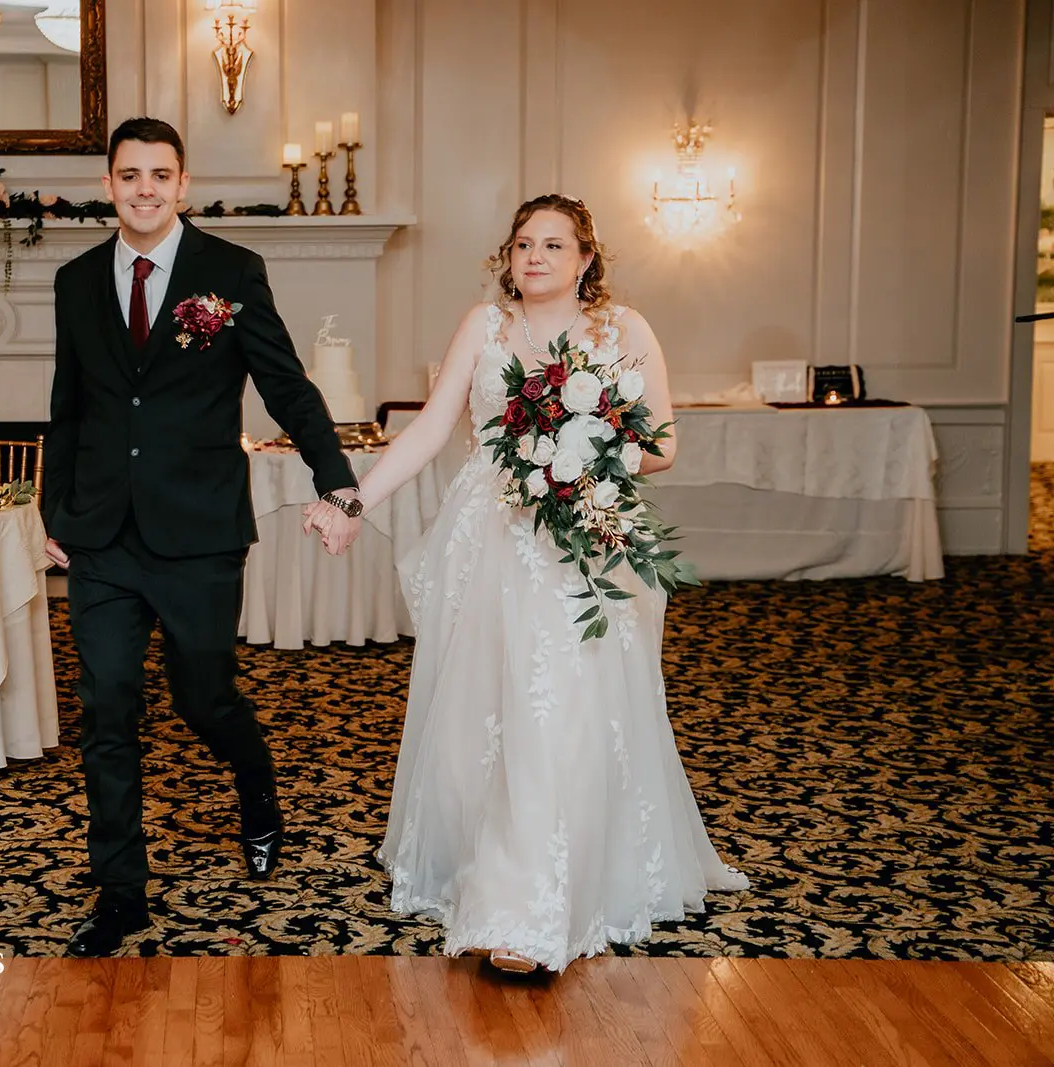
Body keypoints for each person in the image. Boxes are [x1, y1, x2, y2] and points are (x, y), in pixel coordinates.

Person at [311, 194, 748, 973]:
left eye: (554, 244)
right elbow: (431, 428)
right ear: (507, 258)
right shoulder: (483, 328)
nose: (535, 257)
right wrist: (354, 496)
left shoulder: (626, 330)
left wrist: (584, 448)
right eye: (522, 244)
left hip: (585, 536)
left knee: (569, 705)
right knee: (491, 702)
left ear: (586, 258)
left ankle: (534, 901)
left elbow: (664, 444)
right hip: (494, 540)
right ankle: (490, 875)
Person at [42, 117, 365, 958]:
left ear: (182, 185)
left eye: (160, 175)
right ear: (108, 185)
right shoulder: (76, 281)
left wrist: (338, 478)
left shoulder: (231, 271)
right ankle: (121, 894)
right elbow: (67, 409)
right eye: (128, 175)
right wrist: (54, 515)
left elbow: (287, 388)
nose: (144, 188)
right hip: (103, 536)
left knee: (203, 699)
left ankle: (255, 785)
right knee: (105, 709)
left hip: (199, 534)